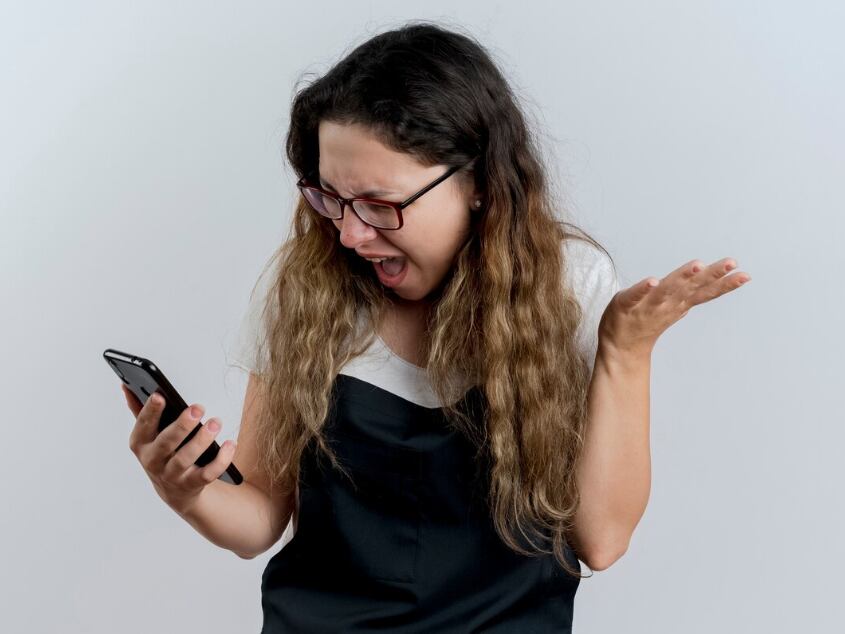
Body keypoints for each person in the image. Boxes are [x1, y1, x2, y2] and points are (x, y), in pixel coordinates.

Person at [124, 20, 751, 633]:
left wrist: (625, 350)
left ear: (476, 181)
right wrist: (187, 491)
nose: (349, 233)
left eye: (380, 204)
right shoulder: (306, 292)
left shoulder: (568, 283)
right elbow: (259, 520)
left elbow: (602, 539)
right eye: (331, 199)